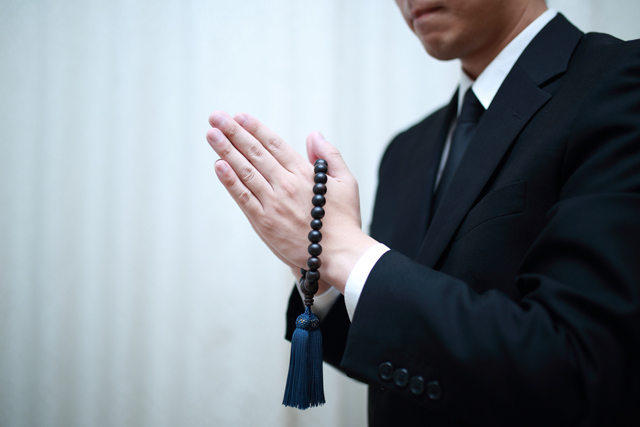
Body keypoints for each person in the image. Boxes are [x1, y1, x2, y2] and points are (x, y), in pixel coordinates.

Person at [206, 0, 640, 425]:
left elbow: (584, 370)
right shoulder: (406, 150)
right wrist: (325, 277)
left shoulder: (621, 80)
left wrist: (342, 250)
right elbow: (404, 350)